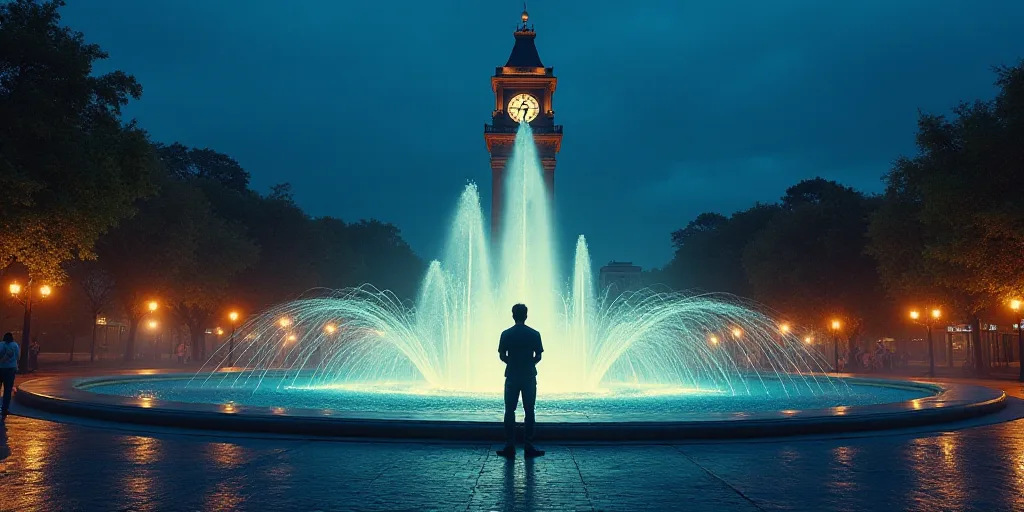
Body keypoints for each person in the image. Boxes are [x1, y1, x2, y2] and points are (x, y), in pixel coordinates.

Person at [497, 303, 545, 458]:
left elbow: (502, 355)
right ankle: (528, 444)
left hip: (511, 375)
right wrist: (529, 363)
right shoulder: (534, 334)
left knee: (509, 410)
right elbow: (538, 355)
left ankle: (509, 444)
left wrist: (511, 362)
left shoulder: (506, 334)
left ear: (513, 315)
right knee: (529, 410)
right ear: (526, 316)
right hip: (529, 376)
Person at [0, 333, 20, 421]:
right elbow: (17, 356)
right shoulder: (15, 345)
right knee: (8, 390)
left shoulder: (1, 344)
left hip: (0, 368)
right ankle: (5, 408)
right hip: (10, 369)